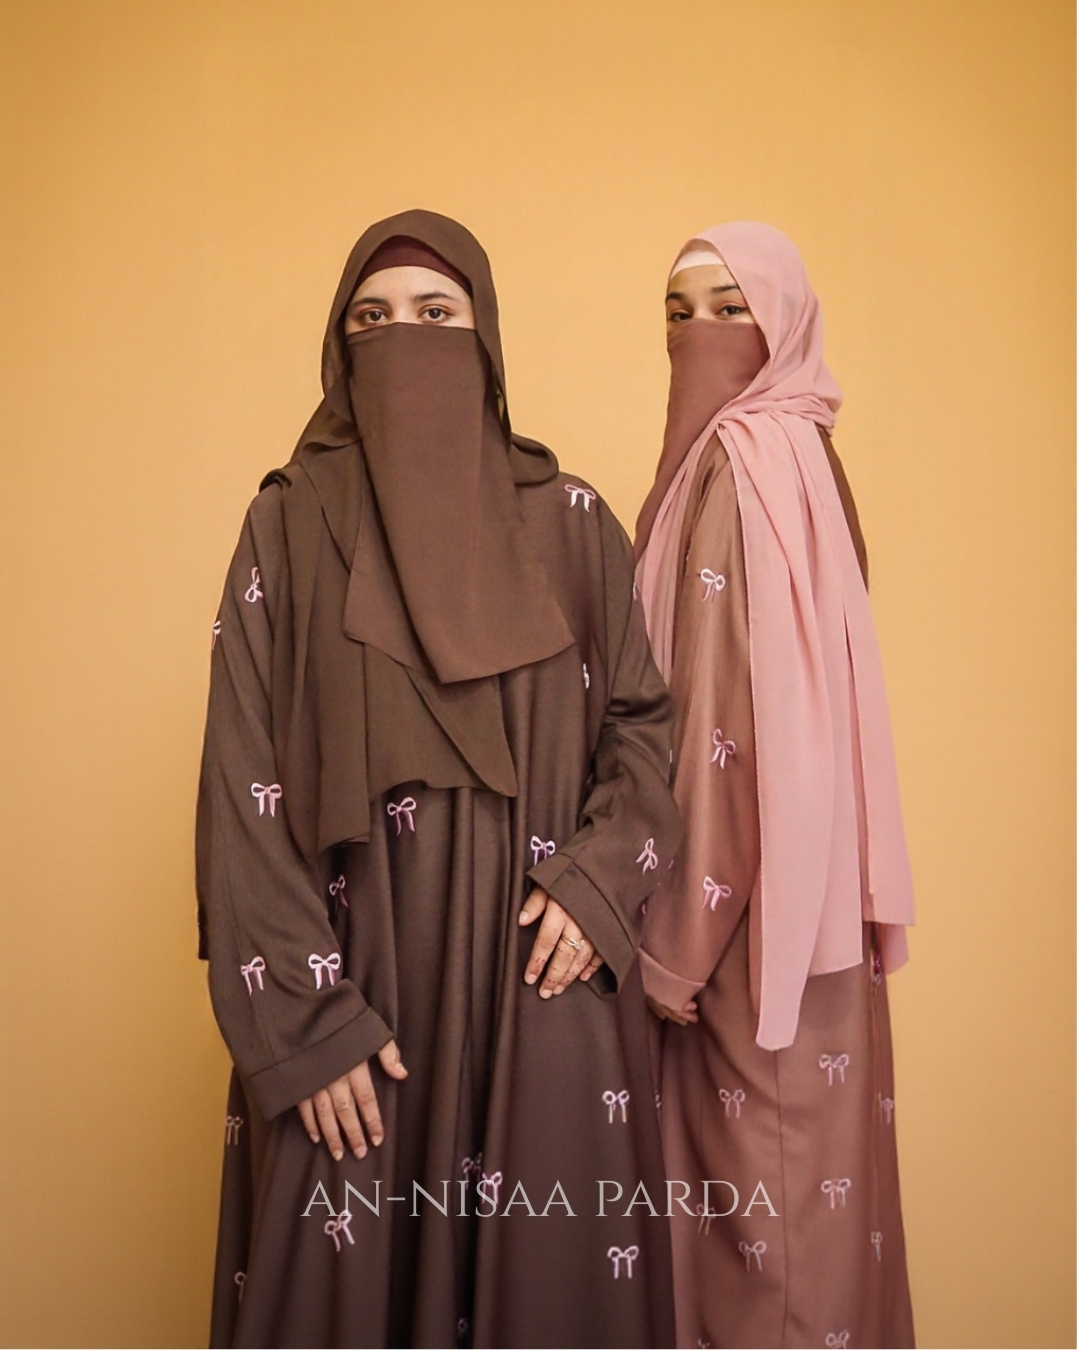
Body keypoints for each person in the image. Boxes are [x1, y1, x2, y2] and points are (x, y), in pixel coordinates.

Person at [196, 210, 680, 1349]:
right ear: (338, 348)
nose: (402, 338)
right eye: (373, 320)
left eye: (434, 315)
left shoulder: (572, 527)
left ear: (486, 342)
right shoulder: (287, 526)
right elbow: (240, 783)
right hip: (355, 1003)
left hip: (539, 997)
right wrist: (305, 1027)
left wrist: (598, 886)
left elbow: (647, 732)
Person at [635, 222, 916, 1349]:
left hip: (746, 943)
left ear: (786, 323)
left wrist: (673, 944)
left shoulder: (740, 466)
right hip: (816, 934)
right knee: (818, 1240)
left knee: (763, 1263)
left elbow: (730, 735)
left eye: (727, 307)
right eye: (676, 310)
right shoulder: (807, 455)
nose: (697, 334)